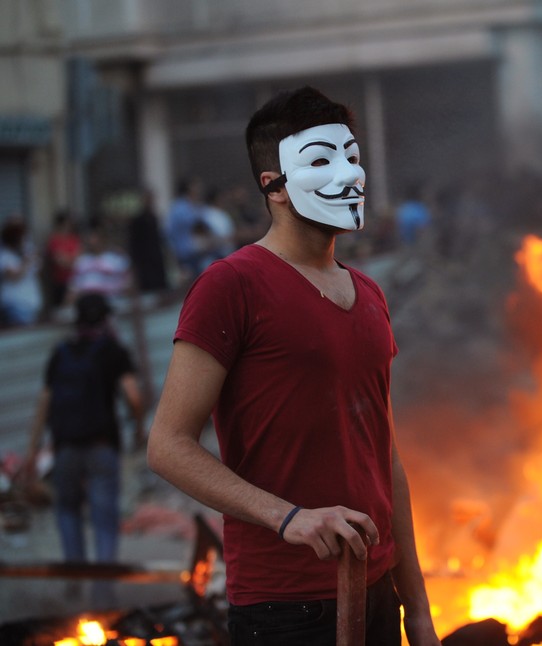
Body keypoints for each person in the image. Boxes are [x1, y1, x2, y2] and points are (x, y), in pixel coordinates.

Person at [147, 86, 441, 646]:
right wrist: (290, 517)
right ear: (274, 187)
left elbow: (386, 457)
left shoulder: (371, 294)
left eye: (353, 158)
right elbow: (167, 445)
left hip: (377, 591)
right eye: (323, 160)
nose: (349, 175)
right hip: (283, 605)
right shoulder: (231, 286)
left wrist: (419, 609)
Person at [26, 292, 145, 563]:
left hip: (65, 447)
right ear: (107, 318)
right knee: (104, 518)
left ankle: (75, 578)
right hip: (102, 446)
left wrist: (32, 452)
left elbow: (44, 404)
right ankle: (102, 592)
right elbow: (134, 396)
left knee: (67, 510)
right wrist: (138, 427)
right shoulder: (113, 351)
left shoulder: (61, 352)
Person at [0, 215, 43, 326]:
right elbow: (14, 276)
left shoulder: (28, 249)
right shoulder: (5, 254)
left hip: (31, 305)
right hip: (15, 305)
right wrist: (27, 261)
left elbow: (38, 271)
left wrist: (35, 257)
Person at [127, 188, 170, 294]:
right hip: (144, 262)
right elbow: (134, 243)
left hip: (156, 260)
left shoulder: (154, 218)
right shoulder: (137, 220)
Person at [165, 176, 206, 283]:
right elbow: (169, 232)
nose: (198, 188)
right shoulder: (179, 208)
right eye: (195, 186)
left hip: (198, 252)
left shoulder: (195, 206)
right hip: (185, 253)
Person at [43, 209, 82, 311]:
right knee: (61, 311)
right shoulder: (54, 240)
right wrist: (71, 259)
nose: (71, 225)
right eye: (69, 222)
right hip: (60, 282)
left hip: (76, 282)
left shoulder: (74, 239)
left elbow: (79, 260)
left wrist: (68, 259)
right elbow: (60, 262)